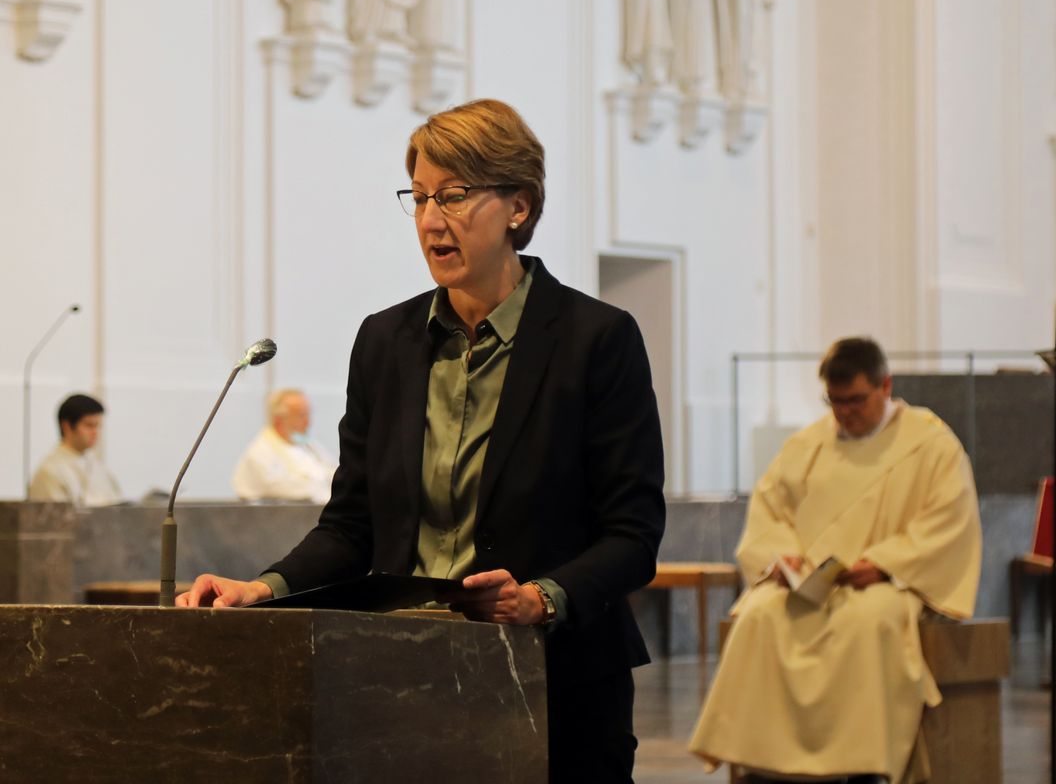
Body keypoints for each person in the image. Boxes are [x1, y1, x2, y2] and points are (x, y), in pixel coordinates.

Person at [179, 98, 666, 783]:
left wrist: (538, 598)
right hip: (400, 675)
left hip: (555, 681)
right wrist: (262, 591)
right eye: (421, 198)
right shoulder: (385, 341)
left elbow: (633, 534)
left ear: (518, 207)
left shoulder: (596, 339)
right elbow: (352, 528)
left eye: (456, 196)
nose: (432, 220)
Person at [688, 337, 981, 783]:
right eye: (834, 401)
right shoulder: (808, 445)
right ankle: (764, 764)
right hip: (808, 584)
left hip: (883, 583)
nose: (844, 412)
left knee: (870, 623)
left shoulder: (930, 444)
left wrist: (885, 563)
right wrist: (781, 558)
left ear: (885, 386)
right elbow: (770, 513)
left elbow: (948, 519)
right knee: (760, 617)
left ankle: (860, 767)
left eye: (856, 400)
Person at [231, 388, 337, 503]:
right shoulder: (259, 454)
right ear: (279, 419)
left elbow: (333, 472)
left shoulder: (308, 445)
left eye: (308, 414)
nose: (308, 422)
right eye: (301, 415)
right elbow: (286, 489)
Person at [29, 393, 122, 506]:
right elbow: (55, 520)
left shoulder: (99, 468)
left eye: (98, 426)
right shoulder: (50, 472)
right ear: (67, 426)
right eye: (89, 425)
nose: (96, 432)